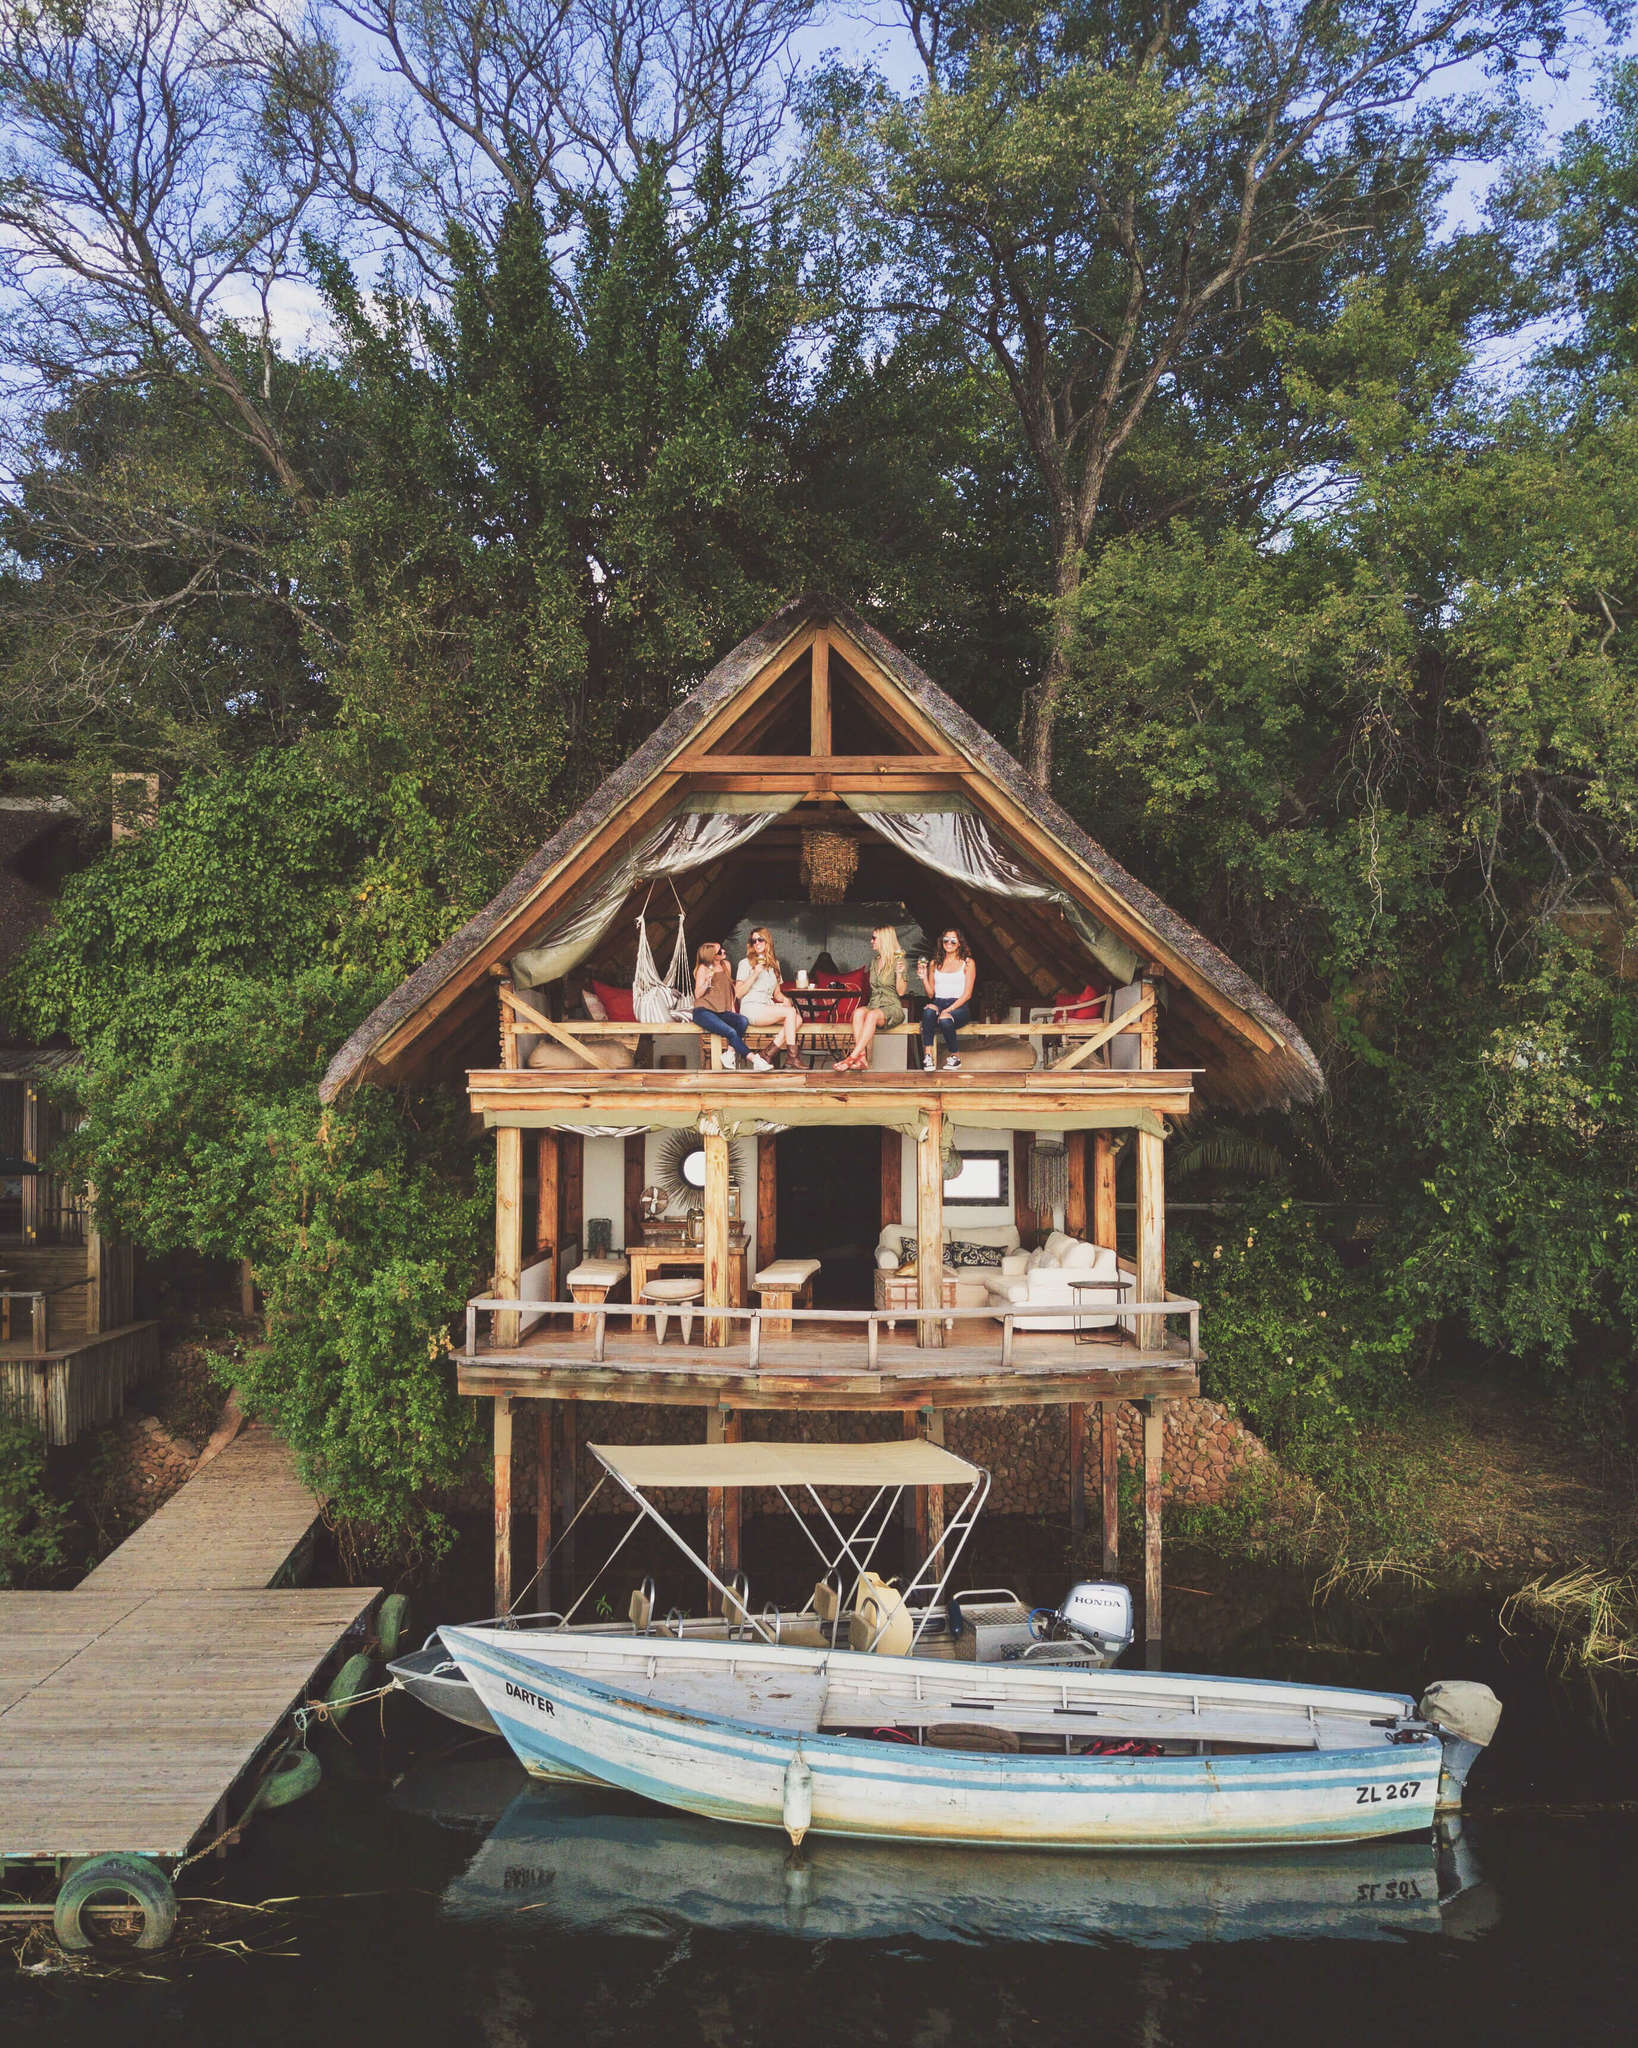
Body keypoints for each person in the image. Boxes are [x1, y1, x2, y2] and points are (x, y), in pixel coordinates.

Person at [834, 926, 907, 1071]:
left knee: (872, 1015)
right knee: (858, 1013)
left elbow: (901, 992)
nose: (871, 941)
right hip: (874, 1005)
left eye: (874, 938)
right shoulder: (874, 962)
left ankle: (852, 1057)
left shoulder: (898, 961)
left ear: (884, 940)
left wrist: (899, 973)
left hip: (891, 1007)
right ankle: (862, 1058)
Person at [692, 941, 770, 1071]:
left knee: (742, 1021)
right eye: (719, 952)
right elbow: (698, 995)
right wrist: (707, 981)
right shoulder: (703, 968)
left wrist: (733, 1009)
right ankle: (755, 1060)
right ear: (711, 955)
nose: (723, 952)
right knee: (730, 1032)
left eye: (722, 949)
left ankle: (729, 1053)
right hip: (703, 1011)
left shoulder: (726, 965)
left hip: (721, 1010)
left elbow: (730, 989)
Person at [735, 927, 802, 1066]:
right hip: (752, 1008)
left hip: (767, 1006)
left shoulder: (774, 964)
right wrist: (754, 974)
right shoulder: (745, 963)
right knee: (790, 1012)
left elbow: (776, 993)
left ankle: (767, 1053)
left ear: (767, 942)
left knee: (798, 1019)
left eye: (760, 939)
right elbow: (739, 993)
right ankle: (792, 1057)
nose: (757, 943)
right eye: (753, 941)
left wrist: (785, 999)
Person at [920, 925, 976, 1070]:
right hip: (939, 1002)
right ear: (941, 942)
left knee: (945, 1019)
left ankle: (955, 1056)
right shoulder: (934, 963)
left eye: (953, 941)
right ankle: (928, 1056)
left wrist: (948, 1010)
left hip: (958, 1005)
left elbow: (968, 994)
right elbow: (931, 994)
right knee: (928, 1011)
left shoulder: (968, 963)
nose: (949, 944)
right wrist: (923, 978)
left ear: (959, 943)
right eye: (946, 940)